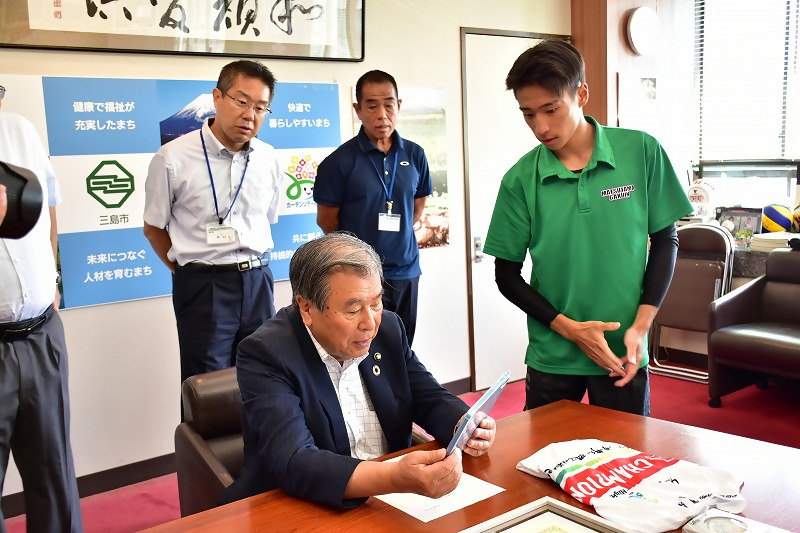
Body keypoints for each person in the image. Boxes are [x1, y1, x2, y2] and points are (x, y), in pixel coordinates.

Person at [483, 40, 693, 416]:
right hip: (552, 355)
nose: (541, 127)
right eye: (528, 114)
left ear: (581, 94)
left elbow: (666, 239)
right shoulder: (519, 180)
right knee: (542, 467)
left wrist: (641, 326)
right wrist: (570, 330)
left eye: (551, 109)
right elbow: (506, 275)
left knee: (627, 466)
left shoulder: (642, 152)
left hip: (622, 352)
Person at [223, 232, 496, 508]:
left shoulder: (388, 328)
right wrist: (394, 477)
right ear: (306, 307)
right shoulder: (266, 353)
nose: (370, 323)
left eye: (376, 303)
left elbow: (427, 396)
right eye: (353, 311)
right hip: (305, 505)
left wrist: (464, 424)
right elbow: (295, 460)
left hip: (395, 502)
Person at [143, 60, 282, 390]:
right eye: (242, 101)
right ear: (217, 97)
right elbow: (153, 228)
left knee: (263, 377)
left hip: (258, 279)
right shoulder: (172, 157)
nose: (250, 115)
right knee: (206, 386)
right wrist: (189, 270)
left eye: (261, 107)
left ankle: (261, 444)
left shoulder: (270, 158)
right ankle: (201, 445)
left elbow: (267, 219)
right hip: (204, 285)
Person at [0, 97, 83, 530]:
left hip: (40, 335)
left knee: (53, 472)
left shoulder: (17, 128)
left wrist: (50, 279)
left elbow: (48, 205)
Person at [314, 70, 431, 346]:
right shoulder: (339, 162)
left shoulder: (414, 154)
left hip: (404, 271)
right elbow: (326, 222)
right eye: (372, 105)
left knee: (402, 346)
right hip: (358, 277)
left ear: (398, 106)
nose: (382, 114)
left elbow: (417, 207)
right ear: (358, 110)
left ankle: (401, 391)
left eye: (389, 104)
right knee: (362, 349)